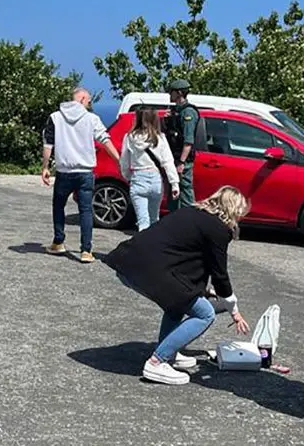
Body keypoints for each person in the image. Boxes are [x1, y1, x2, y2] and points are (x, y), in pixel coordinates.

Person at [101, 186, 251, 385]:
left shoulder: (192, 212)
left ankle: (169, 351)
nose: (240, 219)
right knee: (205, 313)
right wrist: (234, 311)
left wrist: (204, 290)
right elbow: (220, 275)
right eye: (240, 213)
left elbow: (184, 259)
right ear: (232, 210)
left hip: (129, 262)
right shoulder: (218, 229)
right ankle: (156, 362)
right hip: (148, 270)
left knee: (179, 303)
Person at [41, 87, 120, 262]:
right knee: (85, 210)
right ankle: (86, 251)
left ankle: (58, 242)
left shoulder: (55, 117)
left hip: (64, 171)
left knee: (58, 206)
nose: (90, 104)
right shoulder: (92, 119)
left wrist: (45, 167)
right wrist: (118, 160)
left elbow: (48, 144)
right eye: (89, 101)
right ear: (82, 99)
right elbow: (104, 139)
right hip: (85, 172)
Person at [119, 107, 180, 231]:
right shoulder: (160, 138)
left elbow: (124, 162)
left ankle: (143, 247)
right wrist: (174, 183)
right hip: (155, 180)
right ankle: (154, 248)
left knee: (142, 221)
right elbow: (168, 161)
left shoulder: (129, 138)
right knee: (154, 220)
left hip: (138, 178)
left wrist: (128, 177)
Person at [164, 79, 200, 211]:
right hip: (173, 158)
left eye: (171, 92)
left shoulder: (188, 112)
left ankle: (189, 225)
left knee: (185, 195)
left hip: (182, 160)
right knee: (173, 195)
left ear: (179, 93)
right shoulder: (177, 111)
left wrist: (181, 162)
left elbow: (188, 141)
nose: (169, 95)